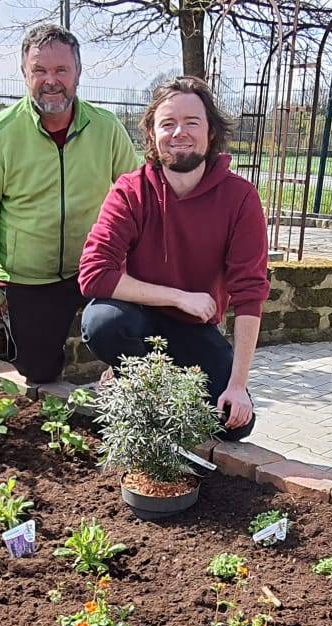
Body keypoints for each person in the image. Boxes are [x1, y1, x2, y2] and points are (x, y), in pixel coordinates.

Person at [77, 76, 268, 441]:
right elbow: (93, 274)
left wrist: (239, 385)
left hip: (193, 329)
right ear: (152, 134)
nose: (179, 132)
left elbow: (250, 294)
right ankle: (131, 381)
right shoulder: (130, 191)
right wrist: (179, 296)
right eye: (167, 123)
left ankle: (152, 387)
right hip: (135, 318)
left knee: (234, 425)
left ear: (211, 132)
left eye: (192, 122)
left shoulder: (240, 198)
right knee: (101, 321)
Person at [0, 24, 139, 386]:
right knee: (39, 373)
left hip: (95, 268)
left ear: (77, 73)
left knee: (127, 332)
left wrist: (137, 265)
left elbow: (138, 198)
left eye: (61, 70)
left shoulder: (106, 128)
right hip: (31, 277)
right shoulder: (0, 134)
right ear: (24, 74)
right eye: (40, 70)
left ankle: (118, 383)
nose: (51, 80)